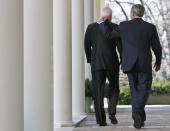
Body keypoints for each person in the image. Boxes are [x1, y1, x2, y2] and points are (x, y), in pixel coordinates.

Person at [101, 4, 162, 129]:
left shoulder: (124, 26)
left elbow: (109, 35)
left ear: (133, 13)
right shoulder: (150, 27)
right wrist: (158, 60)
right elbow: (157, 47)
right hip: (144, 63)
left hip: (130, 63)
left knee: (135, 91)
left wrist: (103, 23)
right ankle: (138, 116)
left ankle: (138, 115)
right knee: (144, 89)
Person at [84, 7, 122, 126]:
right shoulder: (115, 27)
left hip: (97, 63)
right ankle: (111, 112)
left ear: (101, 15)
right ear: (110, 17)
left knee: (98, 91)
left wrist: (90, 59)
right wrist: (122, 59)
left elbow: (86, 45)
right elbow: (120, 46)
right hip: (112, 62)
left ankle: (101, 121)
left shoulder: (91, 27)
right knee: (114, 88)